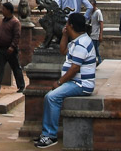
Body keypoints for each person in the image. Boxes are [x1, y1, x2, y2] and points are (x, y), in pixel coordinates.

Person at [33, 12, 97, 149]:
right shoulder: (77, 41)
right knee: (48, 97)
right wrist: (65, 35)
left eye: (67, 23)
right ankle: (46, 133)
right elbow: (63, 51)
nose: (65, 25)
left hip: (81, 84)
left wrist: (60, 82)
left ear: (71, 25)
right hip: (74, 82)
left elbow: (74, 68)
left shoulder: (82, 43)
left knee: (52, 97)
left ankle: (51, 135)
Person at [0, 1, 24, 94]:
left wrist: (12, 46)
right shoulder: (2, 21)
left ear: (8, 10)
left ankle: (21, 86)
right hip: (1, 48)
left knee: (16, 68)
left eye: (3, 9)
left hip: (10, 49)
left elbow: (17, 36)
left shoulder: (15, 22)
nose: (2, 11)